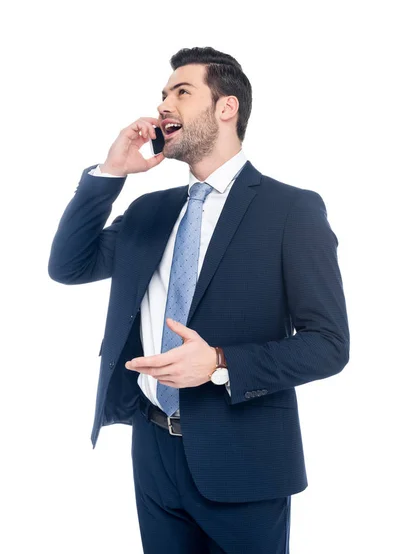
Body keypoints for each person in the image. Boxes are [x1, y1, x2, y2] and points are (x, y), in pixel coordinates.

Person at [48, 46, 350, 554]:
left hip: (245, 460)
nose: (165, 103)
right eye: (163, 94)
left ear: (226, 108)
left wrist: (218, 362)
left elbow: (328, 345)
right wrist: (111, 172)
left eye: (182, 92)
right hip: (153, 451)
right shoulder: (150, 211)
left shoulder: (291, 210)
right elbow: (68, 266)